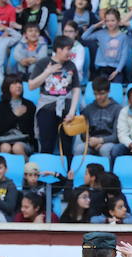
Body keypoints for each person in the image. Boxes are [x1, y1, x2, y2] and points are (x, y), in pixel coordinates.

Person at [30, 36, 82, 164]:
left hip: (66, 108)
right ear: (58, 49)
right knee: (47, 145)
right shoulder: (43, 63)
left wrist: (72, 111)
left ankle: (66, 179)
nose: (69, 53)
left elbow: (76, 89)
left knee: (67, 146)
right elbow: (31, 85)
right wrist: (47, 72)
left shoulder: (71, 65)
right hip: (47, 107)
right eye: (67, 49)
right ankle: (44, 179)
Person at [83, 9, 132, 82]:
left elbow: (124, 55)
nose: (110, 23)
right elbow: (84, 37)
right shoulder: (101, 33)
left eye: (113, 20)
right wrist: (95, 26)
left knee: (116, 86)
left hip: (116, 69)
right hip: (102, 68)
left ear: (118, 21)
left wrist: (117, 71)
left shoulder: (123, 37)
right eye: (107, 21)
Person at [0, 74, 36, 156]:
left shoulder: (29, 105)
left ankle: (26, 168)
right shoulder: (1, 106)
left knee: (17, 147)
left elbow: (31, 130)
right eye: (14, 83)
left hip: (24, 140)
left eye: (20, 83)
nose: (18, 86)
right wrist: (15, 115)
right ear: (7, 86)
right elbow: (0, 130)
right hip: (5, 139)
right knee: (5, 148)